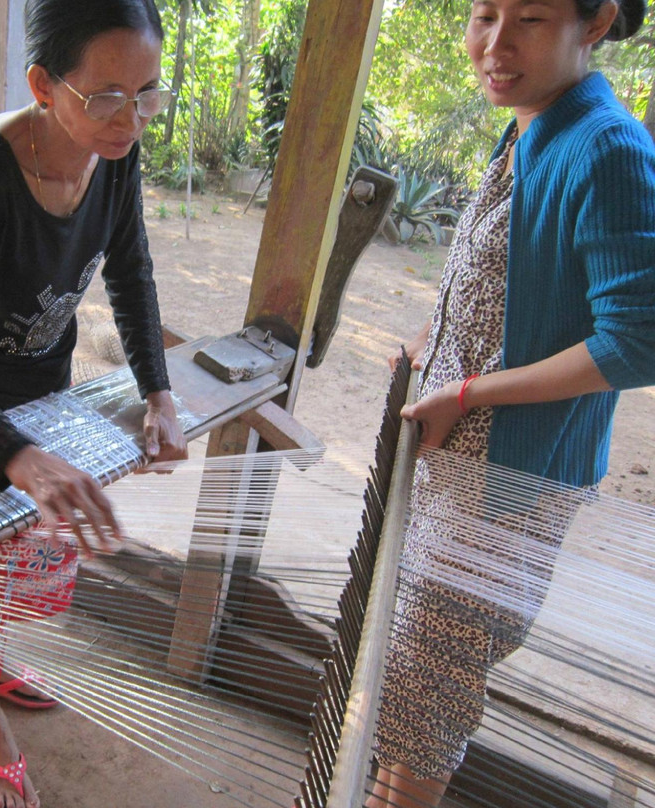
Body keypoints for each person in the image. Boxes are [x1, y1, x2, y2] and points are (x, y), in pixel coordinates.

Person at [0, 1, 188, 805]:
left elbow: (131, 273)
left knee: (29, 558)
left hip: (42, 402)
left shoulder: (114, 151)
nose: (130, 118)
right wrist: (17, 457)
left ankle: (4, 666)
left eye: (147, 94)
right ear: (42, 85)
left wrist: (158, 393)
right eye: (106, 96)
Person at [369, 1, 655, 807]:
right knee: (413, 678)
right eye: (483, 14)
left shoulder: (606, 147)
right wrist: (432, 340)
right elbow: (507, 282)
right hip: (462, 473)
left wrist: (467, 392)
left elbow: (637, 341)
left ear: (594, 24)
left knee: (430, 698)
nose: (494, 44)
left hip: (506, 488)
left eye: (528, 17)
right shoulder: (531, 126)